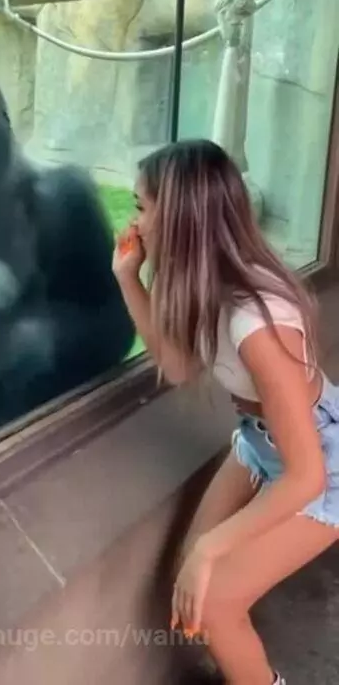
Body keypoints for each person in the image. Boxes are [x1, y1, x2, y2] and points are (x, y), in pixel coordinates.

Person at [112, 138, 339, 685]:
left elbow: (306, 476)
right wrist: (128, 276)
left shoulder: (255, 321)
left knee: (210, 598)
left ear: (182, 218)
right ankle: (236, 649)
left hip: (323, 467)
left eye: (142, 207)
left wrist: (215, 547)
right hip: (259, 442)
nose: (134, 222)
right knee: (193, 577)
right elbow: (179, 365)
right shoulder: (209, 290)